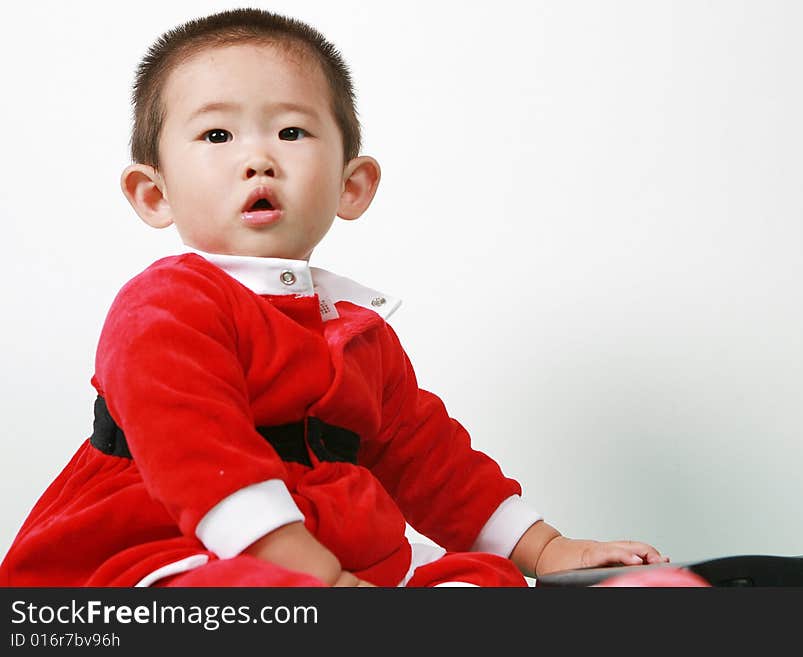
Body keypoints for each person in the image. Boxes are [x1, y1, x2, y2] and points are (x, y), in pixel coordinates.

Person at [0, 8, 670, 588]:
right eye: (216, 136)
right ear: (155, 193)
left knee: (484, 574)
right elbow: (197, 454)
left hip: (333, 558)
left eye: (291, 132)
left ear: (353, 185)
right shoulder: (165, 306)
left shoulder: (356, 334)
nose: (258, 158)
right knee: (245, 589)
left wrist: (545, 549)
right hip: (154, 547)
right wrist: (310, 572)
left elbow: (430, 460)